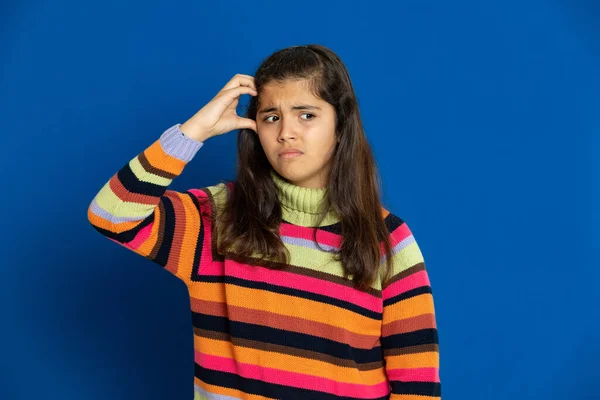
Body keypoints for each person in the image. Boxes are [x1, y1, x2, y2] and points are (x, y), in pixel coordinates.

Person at [87, 44, 441, 399]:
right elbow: (111, 215)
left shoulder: (388, 240)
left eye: (306, 115)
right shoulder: (215, 219)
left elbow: (417, 387)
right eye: (271, 117)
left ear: (341, 123)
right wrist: (192, 132)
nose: (286, 132)